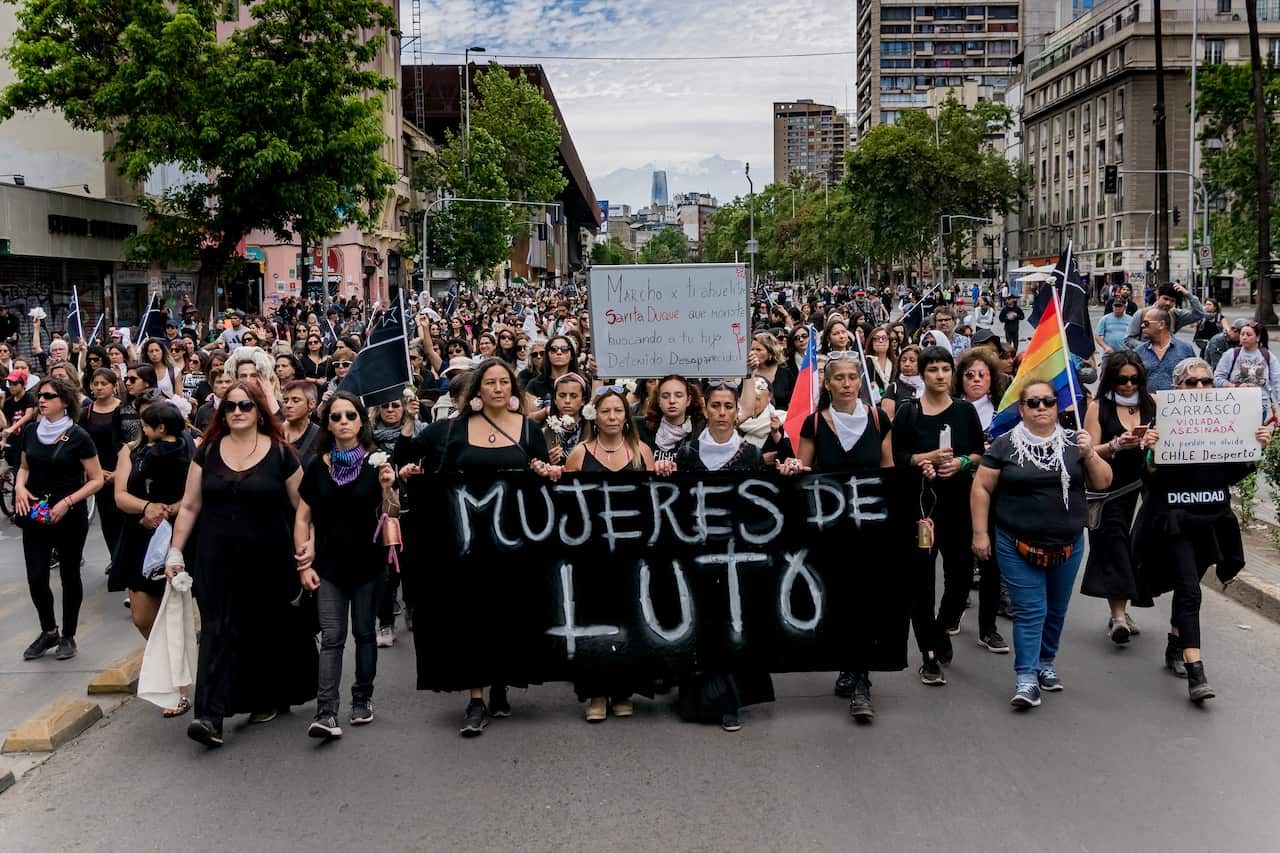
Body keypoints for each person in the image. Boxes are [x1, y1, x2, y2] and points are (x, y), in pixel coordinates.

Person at [164, 380, 317, 748]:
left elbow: (304, 506)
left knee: (264, 630)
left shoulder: (282, 453)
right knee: (217, 631)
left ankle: (266, 698)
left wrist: (311, 544)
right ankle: (209, 716)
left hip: (270, 558)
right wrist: (175, 552)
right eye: (230, 406)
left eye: (245, 405)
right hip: (215, 558)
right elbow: (189, 505)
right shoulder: (208, 451)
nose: (237, 411)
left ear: (260, 411)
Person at [430, 358, 561, 737]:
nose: (499, 389)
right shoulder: (458, 429)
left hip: (516, 537)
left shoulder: (528, 429)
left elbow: (543, 479)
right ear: (478, 390)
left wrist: (547, 473)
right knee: (474, 615)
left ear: (513, 389)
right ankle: (475, 698)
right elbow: (444, 481)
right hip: (472, 540)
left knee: (509, 612)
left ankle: (502, 680)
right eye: (490, 383)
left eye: (505, 382)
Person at [1132, 358, 1273, 702]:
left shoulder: (1228, 421)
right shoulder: (1163, 422)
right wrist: (1150, 453)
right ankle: (1197, 672)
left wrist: (1257, 448)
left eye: (1205, 382)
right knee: (1191, 592)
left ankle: (1174, 644)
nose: (1199, 388)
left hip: (1211, 520)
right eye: (1191, 383)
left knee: (1190, 586)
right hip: (1176, 520)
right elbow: (1149, 478)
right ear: (1177, 387)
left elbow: (1233, 474)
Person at [971, 380, 1112, 709]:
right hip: (1016, 543)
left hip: (1068, 544)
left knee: (1056, 610)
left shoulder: (1074, 444)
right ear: (1022, 409)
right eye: (1033, 403)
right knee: (1030, 610)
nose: (1041, 408)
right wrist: (980, 533)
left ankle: (1045, 663)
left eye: (1048, 402)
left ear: (1057, 407)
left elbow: (1103, 481)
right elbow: (981, 488)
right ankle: (1026, 678)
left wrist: (1090, 453)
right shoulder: (1004, 445)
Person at [783, 353, 894, 721]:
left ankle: (861, 683)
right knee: (838, 600)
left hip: (869, 531)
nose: (847, 383)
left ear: (859, 382)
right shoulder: (815, 424)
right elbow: (804, 470)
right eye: (839, 378)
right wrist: (791, 469)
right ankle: (849, 665)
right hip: (828, 529)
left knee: (863, 601)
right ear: (827, 385)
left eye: (852, 377)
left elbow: (888, 472)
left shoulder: (878, 420)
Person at [669, 382, 775, 731]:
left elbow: (761, 505)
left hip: (736, 557)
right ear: (706, 410)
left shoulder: (750, 455)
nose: (722, 413)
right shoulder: (686, 452)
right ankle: (696, 699)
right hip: (695, 555)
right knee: (700, 625)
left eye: (728, 407)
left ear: (736, 411)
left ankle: (729, 702)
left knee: (733, 627)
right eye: (715, 406)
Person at [295, 392, 397, 739]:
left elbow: (392, 515)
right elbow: (302, 515)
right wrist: (303, 562)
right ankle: (326, 712)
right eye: (336, 417)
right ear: (328, 424)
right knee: (333, 636)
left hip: (368, 565)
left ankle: (362, 698)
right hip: (328, 566)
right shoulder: (316, 465)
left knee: (365, 633)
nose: (343, 422)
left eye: (350, 416)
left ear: (360, 421)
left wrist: (389, 487)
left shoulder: (377, 461)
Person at [891, 346, 985, 686]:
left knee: (960, 580)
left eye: (946, 369)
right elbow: (897, 457)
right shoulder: (908, 412)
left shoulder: (964, 411)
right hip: (920, 510)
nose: (940, 376)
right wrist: (922, 459)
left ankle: (941, 627)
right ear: (922, 374)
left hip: (958, 505)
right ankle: (928, 654)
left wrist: (961, 462)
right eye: (933, 370)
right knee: (921, 583)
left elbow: (979, 452)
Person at [563, 387, 655, 723]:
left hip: (631, 553)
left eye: (618, 411)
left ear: (626, 416)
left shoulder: (642, 451)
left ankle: (623, 690)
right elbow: (565, 502)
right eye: (606, 412)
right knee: (594, 620)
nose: (613, 417)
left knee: (629, 619)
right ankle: (596, 692)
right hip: (592, 553)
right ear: (595, 417)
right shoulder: (579, 454)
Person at [108, 402, 193, 714]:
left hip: (177, 534)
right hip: (139, 537)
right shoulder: (129, 452)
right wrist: (146, 508)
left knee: (171, 613)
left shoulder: (187, 447)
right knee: (144, 617)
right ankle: (166, 663)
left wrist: (169, 510)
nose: (141, 428)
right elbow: (120, 495)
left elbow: (195, 491)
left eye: (146, 422)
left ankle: (178, 689)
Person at [15, 376, 105, 661]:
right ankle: (48, 630)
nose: (41, 400)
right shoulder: (30, 431)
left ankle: (68, 634)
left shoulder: (78, 436)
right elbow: (24, 467)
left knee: (69, 574)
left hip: (68, 513)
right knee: (37, 576)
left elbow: (97, 479)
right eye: (39, 395)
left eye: (48, 396)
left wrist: (68, 502)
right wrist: (19, 487)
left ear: (64, 401)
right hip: (36, 512)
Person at [1081, 351, 1155, 643]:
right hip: (1108, 492)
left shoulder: (1152, 405)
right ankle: (1118, 616)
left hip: (1144, 488)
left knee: (1136, 549)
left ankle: (1124, 606)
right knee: (1114, 547)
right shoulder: (1098, 407)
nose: (1128, 385)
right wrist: (1116, 445)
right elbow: (1087, 451)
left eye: (1134, 379)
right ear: (1111, 378)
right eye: (1122, 379)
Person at [951, 348, 1010, 654]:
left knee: (992, 563)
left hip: (995, 497)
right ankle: (955, 607)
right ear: (959, 379)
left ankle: (988, 628)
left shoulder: (1005, 411)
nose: (976, 380)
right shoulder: (953, 410)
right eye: (969, 375)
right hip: (959, 494)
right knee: (960, 561)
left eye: (982, 375)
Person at [369, 395, 424, 646]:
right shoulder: (369, 438)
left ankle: (412, 609)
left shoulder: (418, 432)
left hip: (411, 508)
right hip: (381, 511)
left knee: (411, 566)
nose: (390, 410)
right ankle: (385, 623)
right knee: (386, 570)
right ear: (378, 410)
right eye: (385, 406)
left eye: (395, 405)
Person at [80, 367, 130, 565]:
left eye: (103, 384)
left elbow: (131, 442)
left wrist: (119, 472)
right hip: (99, 472)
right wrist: (96, 472)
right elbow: (82, 446)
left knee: (125, 517)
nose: (99, 388)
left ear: (114, 386)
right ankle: (115, 558)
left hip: (124, 471)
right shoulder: (86, 413)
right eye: (95, 384)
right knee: (107, 519)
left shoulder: (125, 410)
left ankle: (127, 559)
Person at [1213, 319, 1280, 420]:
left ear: (1258, 337)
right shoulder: (1231, 354)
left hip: (1259, 408)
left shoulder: (1268, 356)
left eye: (1248, 335)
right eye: (1242, 334)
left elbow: (1277, 383)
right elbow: (1217, 378)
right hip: (1234, 408)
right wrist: (1235, 386)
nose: (1244, 337)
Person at [640, 375, 706, 464]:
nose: (672, 401)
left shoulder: (701, 432)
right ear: (659, 400)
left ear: (688, 400)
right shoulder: (641, 428)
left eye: (678, 395)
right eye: (665, 396)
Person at [1125, 282, 1207, 346]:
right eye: (1165, 299)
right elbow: (1128, 339)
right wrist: (1146, 348)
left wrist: (1188, 295)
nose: (1168, 303)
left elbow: (1199, 314)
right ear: (1158, 297)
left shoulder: (1175, 315)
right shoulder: (1142, 314)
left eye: (1172, 301)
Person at [1135, 309, 1196, 391]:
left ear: (1161, 324)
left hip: (1177, 402)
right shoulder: (1138, 352)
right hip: (1148, 402)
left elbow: (1195, 378)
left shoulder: (1185, 349)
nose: (1142, 325)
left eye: (1146, 323)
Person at [747, 332, 795, 410]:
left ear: (770, 352)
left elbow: (794, 401)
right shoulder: (748, 373)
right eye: (752, 349)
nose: (753, 353)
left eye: (758, 350)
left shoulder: (785, 373)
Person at [281, 380, 321, 466]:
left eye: (295, 401)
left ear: (311, 404)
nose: (288, 405)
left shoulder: (320, 436)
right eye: (285, 400)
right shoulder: (274, 433)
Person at [1094, 299, 1133, 364]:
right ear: (1112, 307)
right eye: (1115, 306)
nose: (1117, 308)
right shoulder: (1105, 319)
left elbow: (1134, 335)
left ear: (1124, 307)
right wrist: (1106, 347)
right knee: (1105, 372)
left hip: (1125, 353)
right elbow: (1097, 336)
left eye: (1120, 306)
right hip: (1109, 353)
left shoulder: (1130, 319)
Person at [864, 326, 897, 399]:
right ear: (871, 342)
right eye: (876, 338)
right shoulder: (865, 363)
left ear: (889, 341)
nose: (881, 341)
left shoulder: (896, 363)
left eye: (884, 338)